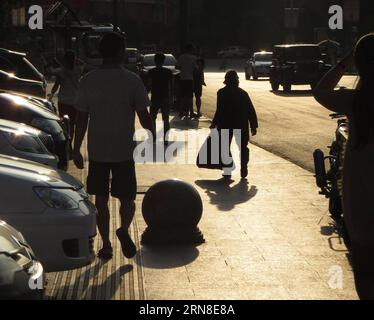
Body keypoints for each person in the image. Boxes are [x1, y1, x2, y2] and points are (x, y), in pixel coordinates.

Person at [73, 32, 155, 260]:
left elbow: (81, 119)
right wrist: (152, 139)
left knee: (100, 200)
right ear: (120, 52)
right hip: (123, 151)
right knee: (127, 198)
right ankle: (124, 229)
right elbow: (144, 115)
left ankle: (106, 244)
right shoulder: (132, 80)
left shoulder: (88, 80)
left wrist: (75, 148)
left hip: (98, 150)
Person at [313, 33, 374, 300]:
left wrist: (344, 62)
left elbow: (321, 90)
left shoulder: (356, 102)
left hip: (362, 194)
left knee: (363, 269)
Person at [211, 70, 258, 179]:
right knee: (243, 147)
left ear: (226, 80)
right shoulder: (243, 93)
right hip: (241, 124)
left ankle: (227, 170)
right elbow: (250, 110)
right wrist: (253, 125)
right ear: (236, 80)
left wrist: (214, 123)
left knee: (225, 147)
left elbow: (220, 110)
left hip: (226, 124)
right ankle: (244, 166)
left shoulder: (221, 93)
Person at [50, 50, 84, 150]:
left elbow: (56, 84)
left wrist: (52, 93)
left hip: (63, 102)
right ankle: (70, 143)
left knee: (64, 124)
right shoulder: (78, 70)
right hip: (75, 102)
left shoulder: (61, 71)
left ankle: (66, 143)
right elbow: (83, 63)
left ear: (65, 60)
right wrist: (75, 59)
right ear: (74, 59)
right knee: (72, 124)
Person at [147, 53, 173, 143]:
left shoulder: (151, 72)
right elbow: (171, 85)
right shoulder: (168, 72)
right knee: (165, 119)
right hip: (165, 97)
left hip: (155, 97)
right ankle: (166, 139)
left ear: (155, 61)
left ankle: (153, 137)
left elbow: (149, 85)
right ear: (163, 61)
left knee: (152, 118)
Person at [176, 44, 197, 118]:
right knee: (190, 97)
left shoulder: (181, 57)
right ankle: (191, 112)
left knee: (182, 96)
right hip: (190, 79)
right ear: (192, 50)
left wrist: (183, 69)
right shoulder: (194, 58)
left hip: (182, 79)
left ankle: (181, 112)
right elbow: (195, 69)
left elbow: (177, 66)